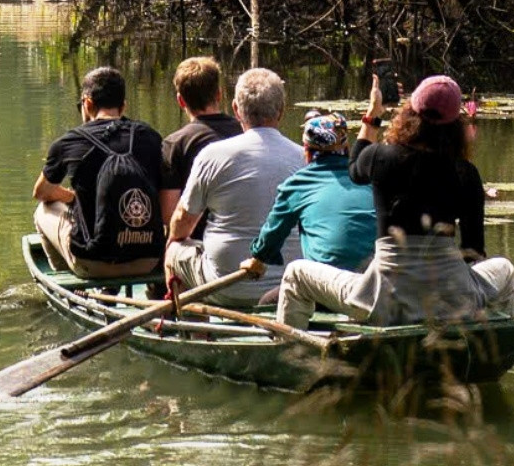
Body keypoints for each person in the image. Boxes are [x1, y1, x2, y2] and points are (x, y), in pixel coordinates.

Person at [261, 73, 514, 330]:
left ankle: (290, 346)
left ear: (411, 113)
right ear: (455, 125)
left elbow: (355, 167)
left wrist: (374, 112)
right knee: (504, 269)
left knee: (296, 273)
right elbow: (473, 251)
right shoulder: (467, 173)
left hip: (383, 299)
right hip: (451, 299)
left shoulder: (380, 158)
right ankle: (486, 340)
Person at [164, 67, 304, 306]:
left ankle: (195, 333)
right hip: (286, 288)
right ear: (281, 111)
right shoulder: (304, 158)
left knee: (175, 249)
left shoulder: (212, 155)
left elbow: (183, 222)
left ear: (237, 110)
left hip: (225, 287)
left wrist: (172, 241)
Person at [32, 66, 165, 279]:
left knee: (43, 210)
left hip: (93, 264)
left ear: (87, 103)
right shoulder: (151, 137)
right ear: (123, 106)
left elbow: (41, 192)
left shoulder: (68, 142)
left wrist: (72, 198)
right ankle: (154, 291)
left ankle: (70, 281)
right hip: (148, 260)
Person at [242, 112, 377, 286]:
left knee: (267, 300)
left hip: (330, 288)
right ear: (346, 147)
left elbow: (272, 236)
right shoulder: (369, 178)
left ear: (306, 150)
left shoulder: (297, 185)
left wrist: (258, 258)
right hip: (375, 281)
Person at [159, 56, 243, 228]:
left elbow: (169, 215)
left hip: (195, 241)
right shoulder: (245, 132)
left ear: (180, 100)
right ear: (219, 94)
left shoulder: (174, 144)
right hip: (245, 234)